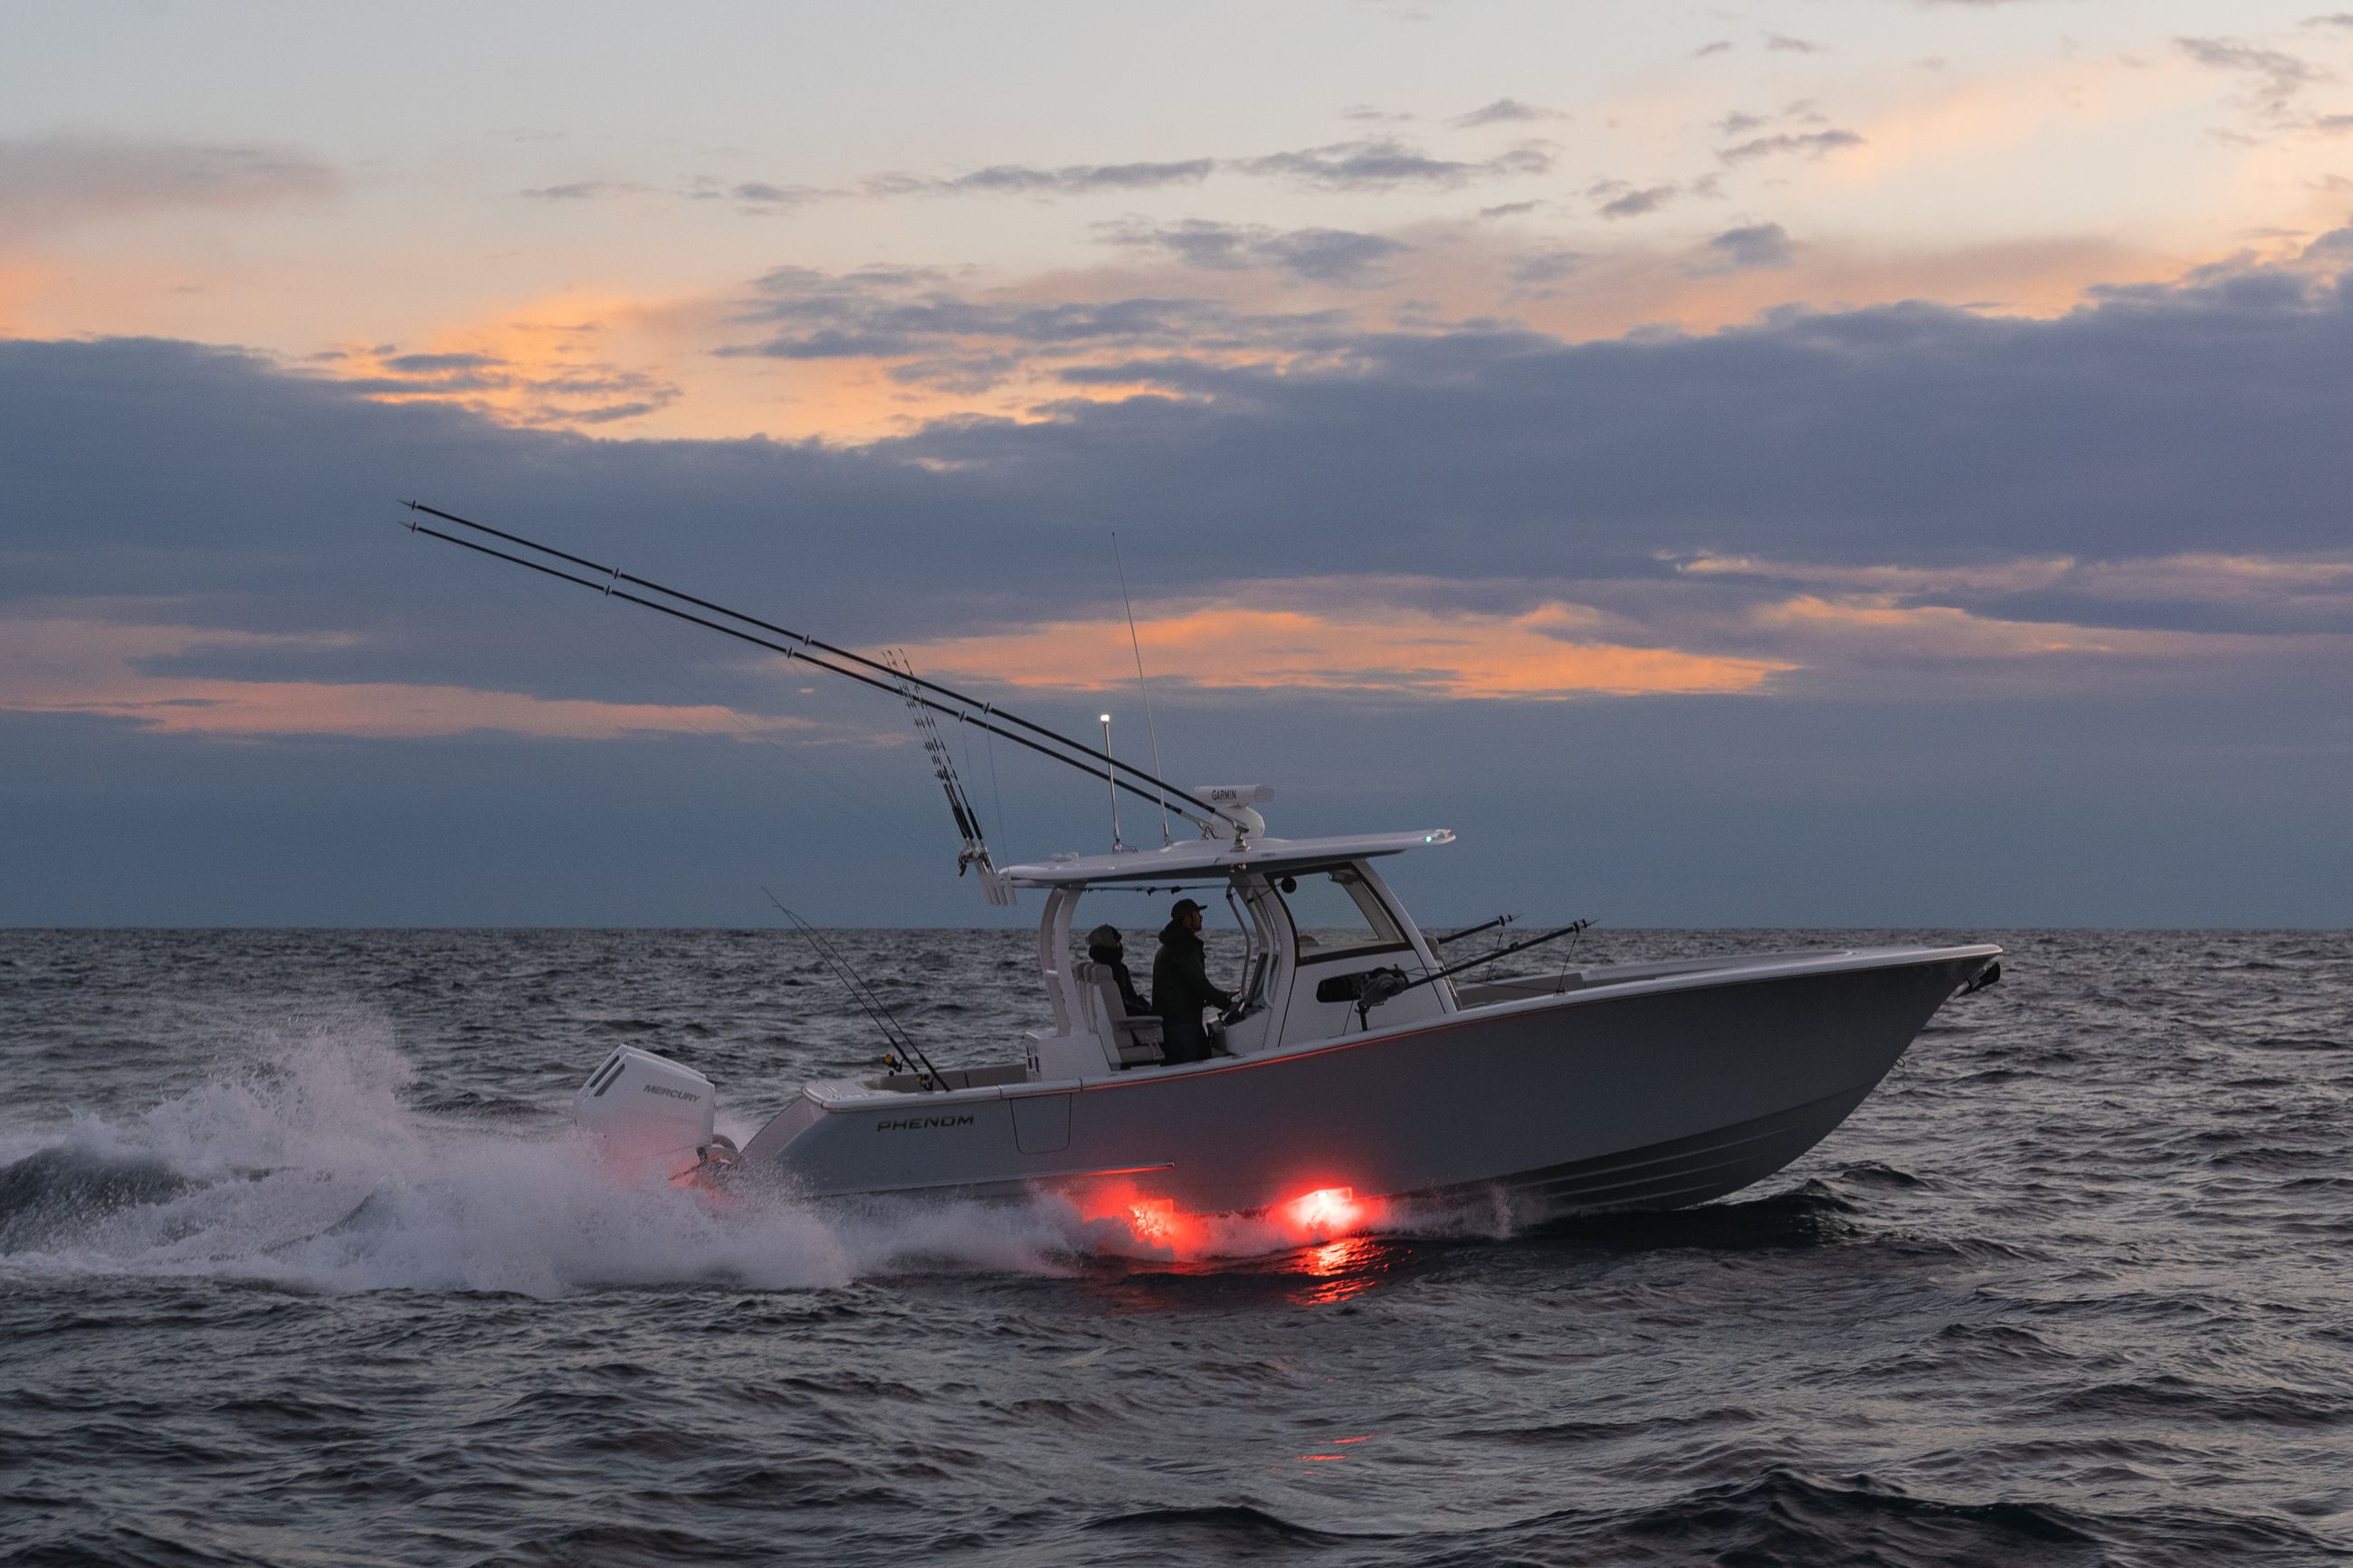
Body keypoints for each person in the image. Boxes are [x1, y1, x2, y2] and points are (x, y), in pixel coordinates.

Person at [1153, 898, 1234, 1064]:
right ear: (1187, 919)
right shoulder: (1183, 947)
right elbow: (1199, 983)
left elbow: (1187, 986)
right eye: (1197, 913)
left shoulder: (1172, 945)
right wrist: (1227, 1004)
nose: (1201, 917)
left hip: (1176, 1025)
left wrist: (1220, 996)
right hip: (1182, 1028)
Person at [1084, 924, 1151, 1019]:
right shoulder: (1115, 970)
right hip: (1126, 1024)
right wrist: (1149, 1012)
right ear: (1109, 943)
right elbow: (1123, 1004)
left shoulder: (1095, 969)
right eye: (1117, 943)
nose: (1120, 946)